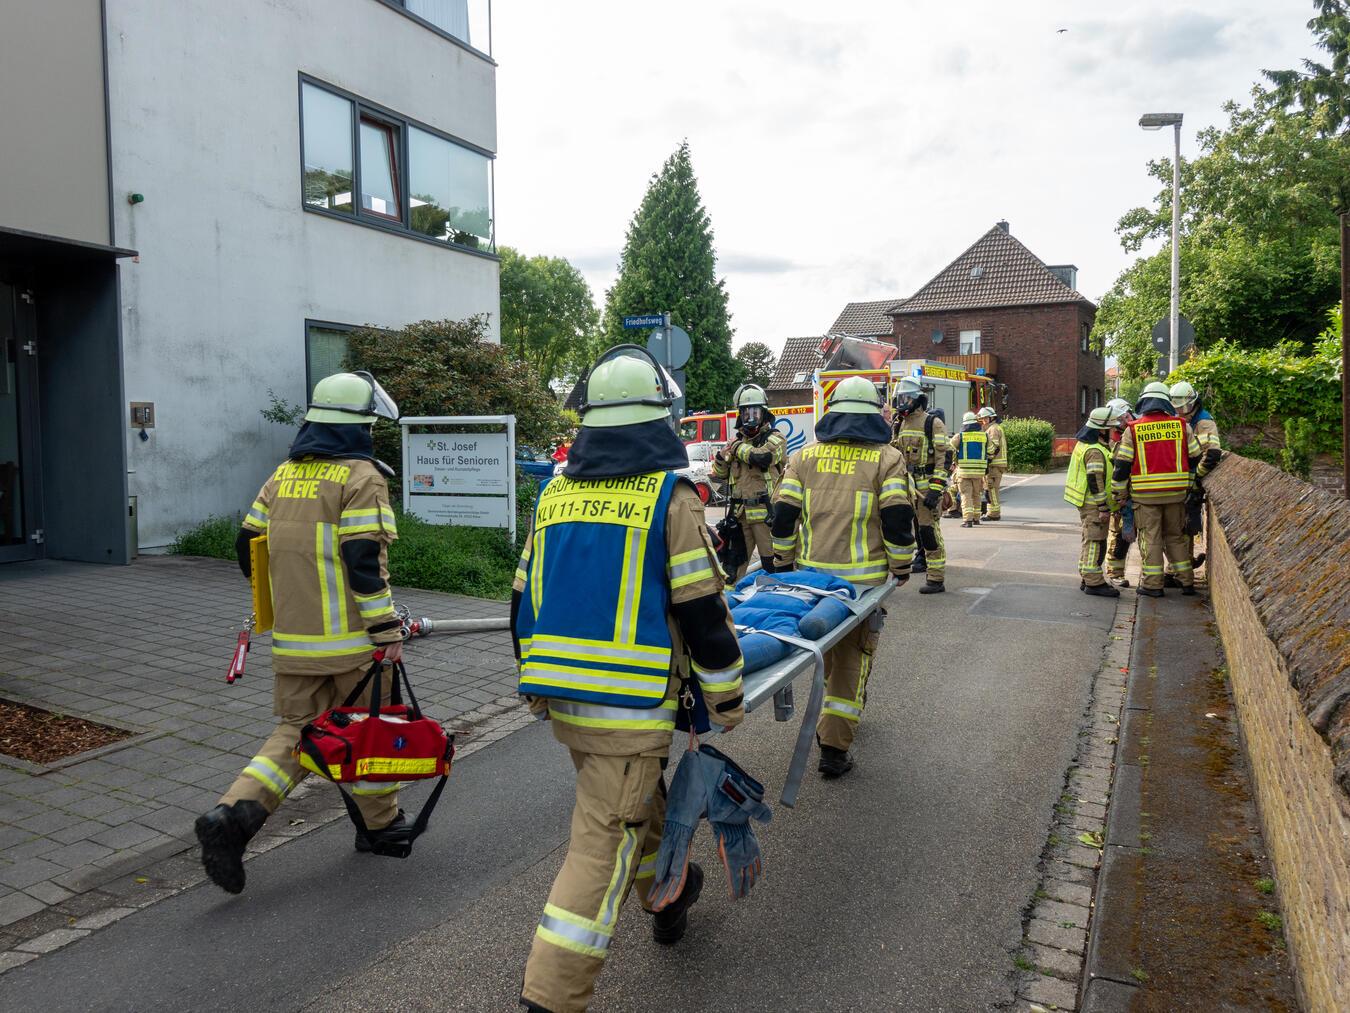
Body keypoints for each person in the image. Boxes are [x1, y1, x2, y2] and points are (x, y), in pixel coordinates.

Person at [514, 345, 746, 1013]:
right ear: (658, 421)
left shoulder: (555, 493)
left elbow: (520, 599)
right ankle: (549, 999)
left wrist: (530, 684)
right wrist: (726, 696)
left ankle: (670, 893)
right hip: (630, 713)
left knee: (632, 806)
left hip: (568, 706)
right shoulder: (670, 499)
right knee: (598, 853)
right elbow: (703, 612)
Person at [195, 371, 407, 894]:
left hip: (293, 646)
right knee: (367, 731)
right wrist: (386, 630)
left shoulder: (284, 474)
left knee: (297, 734)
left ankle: (232, 816)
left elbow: (248, 545)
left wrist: (292, 604)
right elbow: (363, 562)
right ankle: (380, 828)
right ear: (359, 425)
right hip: (355, 647)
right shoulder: (362, 477)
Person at [772, 376, 915, 778]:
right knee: (852, 659)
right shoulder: (887, 458)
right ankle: (834, 748)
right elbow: (898, 519)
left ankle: (834, 726)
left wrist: (783, 563)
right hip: (861, 586)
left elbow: (783, 518)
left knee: (828, 652)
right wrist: (901, 567)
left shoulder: (803, 458)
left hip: (810, 581)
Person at [1110, 382, 1204, 598]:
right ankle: (1186, 582)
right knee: (1175, 537)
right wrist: (1193, 486)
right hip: (1176, 495)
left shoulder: (1132, 430)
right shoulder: (1182, 426)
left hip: (1146, 497)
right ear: (1166, 403)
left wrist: (1120, 495)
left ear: (1143, 402)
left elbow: (1122, 467)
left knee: (1151, 539)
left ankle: (1153, 585)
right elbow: (1196, 457)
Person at [710, 383, 787, 582]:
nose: (750, 418)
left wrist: (735, 447)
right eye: (746, 413)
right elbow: (720, 474)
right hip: (739, 516)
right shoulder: (736, 444)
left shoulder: (776, 439)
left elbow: (761, 458)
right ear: (740, 415)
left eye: (755, 412)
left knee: (773, 568)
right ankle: (730, 610)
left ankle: (774, 605)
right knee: (732, 567)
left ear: (764, 414)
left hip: (766, 518)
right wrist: (721, 457)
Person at [890, 377, 950, 594]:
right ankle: (914, 563)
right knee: (908, 529)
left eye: (906, 398)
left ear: (917, 399)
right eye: (900, 397)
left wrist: (936, 488)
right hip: (907, 487)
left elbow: (945, 458)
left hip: (926, 489)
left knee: (928, 531)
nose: (902, 402)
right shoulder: (900, 423)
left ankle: (936, 579)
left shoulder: (932, 423)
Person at [1165, 380, 1223, 584]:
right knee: (1183, 527)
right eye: (1177, 408)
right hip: (1184, 484)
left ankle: (1176, 571)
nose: (1181, 412)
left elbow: (1213, 454)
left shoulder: (1204, 423)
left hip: (1192, 485)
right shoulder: (1186, 420)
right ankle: (1183, 565)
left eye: (1184, 408)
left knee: (1182, 528)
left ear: (1194, 403)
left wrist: (1197, 478)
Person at [1065, 406, 1123, 598]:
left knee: (1089, 539)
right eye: (1112, 428)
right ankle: (1094, 582)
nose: (1115, 432)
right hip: (1093, 504)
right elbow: (1095, 481)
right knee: (1096, 542)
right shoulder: (1095, 451)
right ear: (1102, 429)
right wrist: (1103, 507)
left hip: (1085, 502)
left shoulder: (1086, 445)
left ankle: (1086, 575)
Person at [1103, 397, 1135, 587]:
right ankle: (1115, 572)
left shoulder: (1132, 430)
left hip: (1135, 492)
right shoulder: (1115, 437)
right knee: (1119, 534)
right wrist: (1118, 496)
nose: (1120, 424)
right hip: (1121, 494)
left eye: (1122, 419)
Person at [949, 411, 989, 528]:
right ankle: (976, 518)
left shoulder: (960, 436)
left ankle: (967, 520)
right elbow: (992, 450)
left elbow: (949, 449)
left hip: (964, 471)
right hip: (979, 472)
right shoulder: (984, 436)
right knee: (977, 494)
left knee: (966, 495)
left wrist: (953, 461)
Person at [978, 406, 1007, 520]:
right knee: (989, 490)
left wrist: (987, 460)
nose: (983, 421)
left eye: (985, 419)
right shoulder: (994, 428)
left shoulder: (993, 429)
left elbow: (993, 448)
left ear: (991, 418)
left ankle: (994, 514)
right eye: (983, 419)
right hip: (995, 465)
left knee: (992, 489)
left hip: (994, 465)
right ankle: (991, 512)